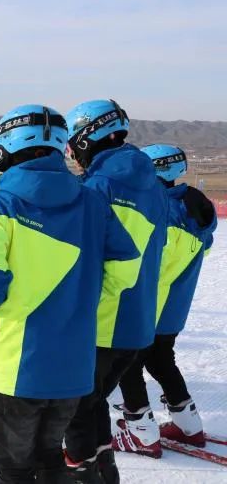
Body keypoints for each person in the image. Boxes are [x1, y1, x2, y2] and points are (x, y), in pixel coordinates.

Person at [0, 105, 138, 484]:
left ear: (3, 150)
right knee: (50, 458)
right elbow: (126, 265)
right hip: (73, 367)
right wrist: (84, 299)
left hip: (14, 367)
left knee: (14, 469)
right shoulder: (92, 200)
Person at [62, 100, 169, 483]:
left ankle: (83, 476)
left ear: (87, 139)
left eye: (73, 146)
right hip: (138, 321)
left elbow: (87, 257)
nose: (72, 156)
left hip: (103, 321)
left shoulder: (99, 186)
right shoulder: (152, 184)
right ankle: (105, 474)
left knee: (75, 411)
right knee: (91, 407)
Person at [114, 144, 217, 456]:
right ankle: (189, 425)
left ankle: (141, 432)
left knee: (127, 365)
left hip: (145, 306)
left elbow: (151, 262)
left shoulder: (160, 210)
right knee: (160, 359)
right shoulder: (195, 204)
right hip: (173, 307)